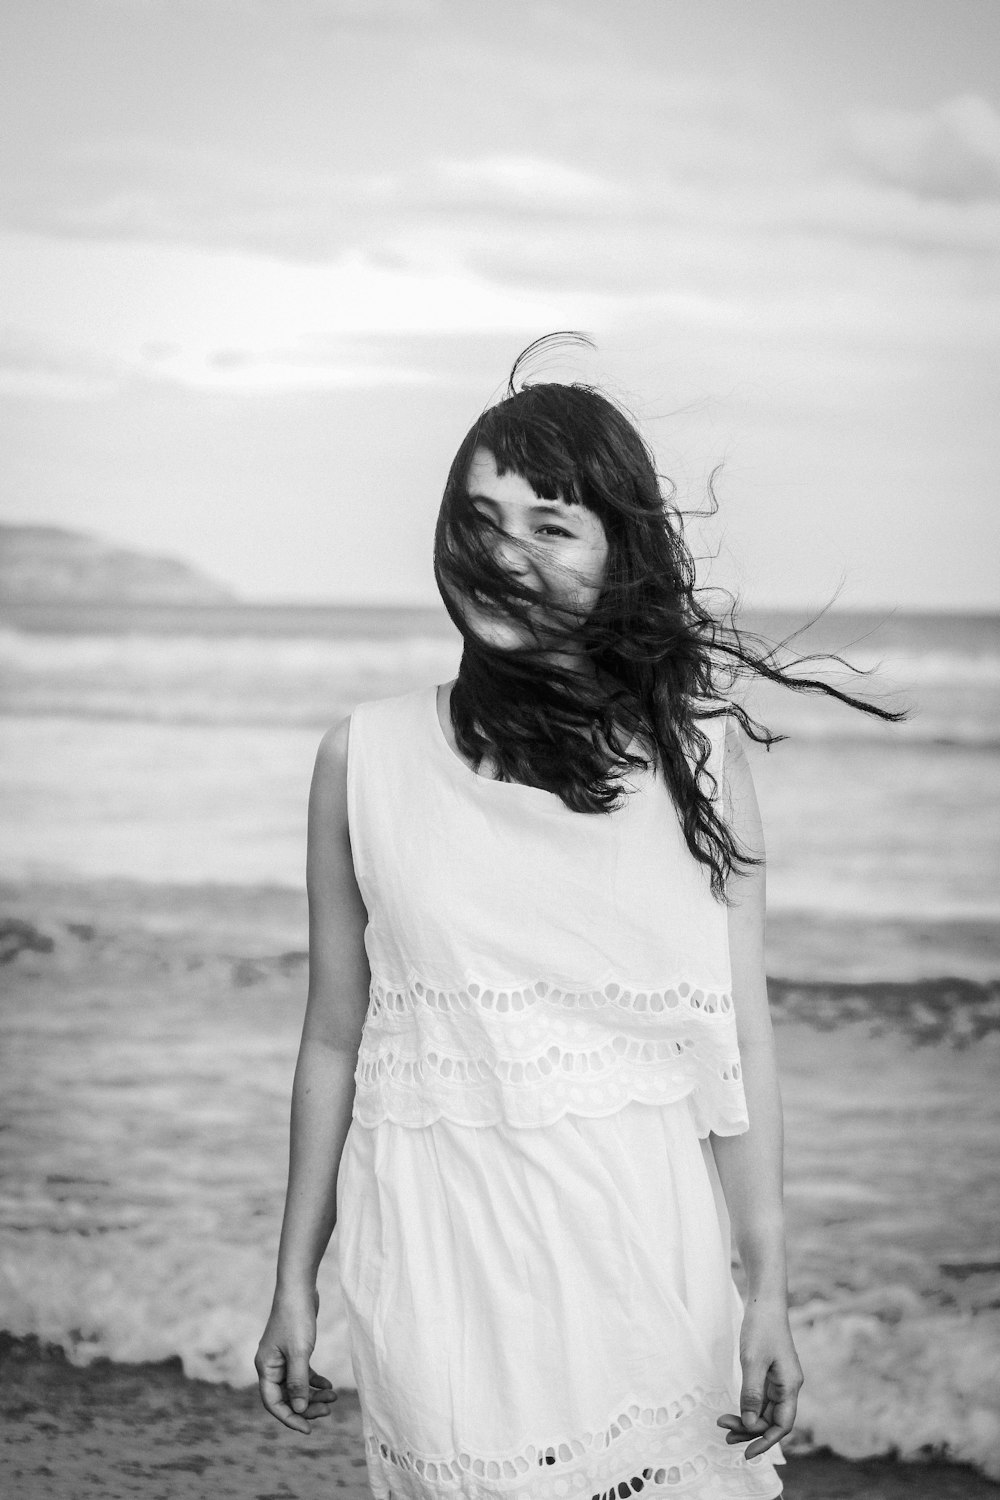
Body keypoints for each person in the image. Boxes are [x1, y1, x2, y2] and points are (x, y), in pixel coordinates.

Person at [255, 337, 899, 1499]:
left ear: (619, 554)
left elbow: (737, 1042)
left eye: (550, 526)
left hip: (641, 1250)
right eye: (478, 519)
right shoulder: (363, 757)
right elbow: (333, 1038)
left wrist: (768, 1292)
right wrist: (294, 1277)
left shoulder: (694, 762)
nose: (502, 555)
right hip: (438, 1246)